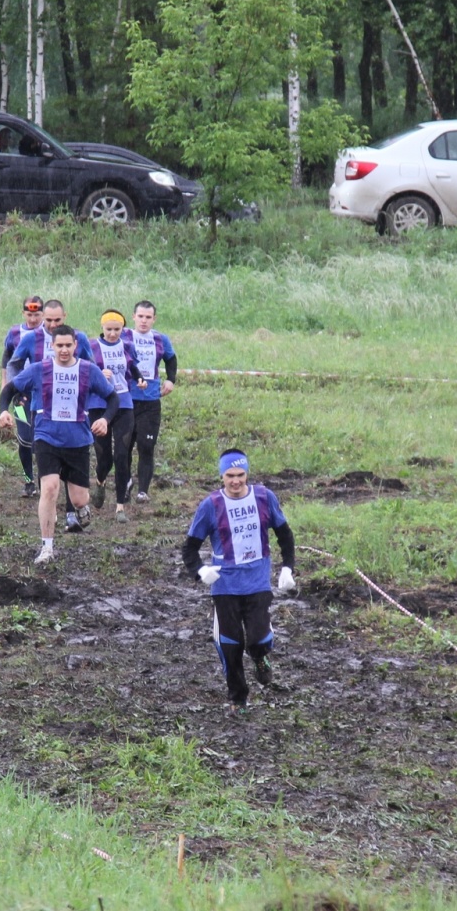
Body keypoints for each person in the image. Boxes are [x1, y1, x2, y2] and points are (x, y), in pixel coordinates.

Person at [182, 449, 297, 709]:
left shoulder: (264, 498)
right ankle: (238, 699)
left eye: (240, 475)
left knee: (258, 639)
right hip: (225, 586)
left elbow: (284, 534)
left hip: (257, 581)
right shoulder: (210, 505)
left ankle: (259, 658)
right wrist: (200, 571)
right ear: (222, 476)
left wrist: (288, 567)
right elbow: (189, 548)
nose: (236, 481)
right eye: (230, 476)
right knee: (230, 644)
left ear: (247, 474)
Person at [0, 324, 113, 564]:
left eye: (68, 345)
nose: (64, 350)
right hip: (46, 437)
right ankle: (47, 548)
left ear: (76, 346)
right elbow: (9, 389)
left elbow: (112, 397)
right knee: (49, 489)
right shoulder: (39, 370)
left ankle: (82, 509)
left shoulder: (88, 370)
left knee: (80, 498)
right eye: (59, 345)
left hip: (78, 441)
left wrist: (104, 418)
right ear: (52, 347)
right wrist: (3, 412)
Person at [88, 311, 139, 519]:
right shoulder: (91, 346)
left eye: (116, 330)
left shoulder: (127, 345)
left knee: (121, 454)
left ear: (122, 329)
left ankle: (120, 507)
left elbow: (133, 368)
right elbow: (84, 370)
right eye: (108, 329)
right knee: (104, 457)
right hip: (98, 405)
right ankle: (100, 481)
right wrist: (99, 372)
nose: (112, 334)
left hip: (124, 403)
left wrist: (141, 379)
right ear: (102, 328)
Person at [127, 301, 178, 502]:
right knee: (124, 447)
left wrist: (170, 380)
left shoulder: (160, 339)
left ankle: (143, 491)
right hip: (126, 401)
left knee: (146, 446)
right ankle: (126, 483)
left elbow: (171, 359)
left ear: (154, 319)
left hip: (150, 401)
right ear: (134, 317)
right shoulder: (123, 336)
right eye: (140, 316)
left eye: (148, 317)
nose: (144, 321)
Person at [1, 296, 44, 497]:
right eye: (29, 314)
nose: (33, 319)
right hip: (20, 394)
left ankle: (47, 480)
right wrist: (6, 387)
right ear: (23, 314)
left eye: (37, 315)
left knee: (41, 439)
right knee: (24, 438)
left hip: (44, 395)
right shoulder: (15, 333)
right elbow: (7, 361)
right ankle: (28, 481)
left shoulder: (52, 335)